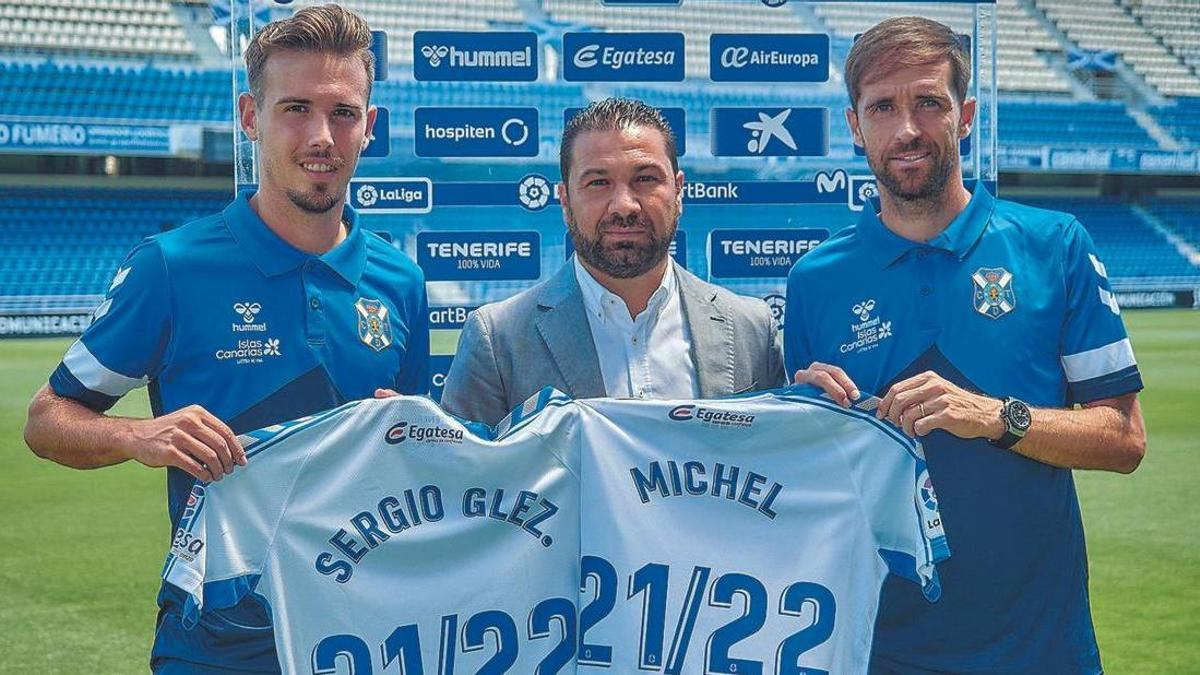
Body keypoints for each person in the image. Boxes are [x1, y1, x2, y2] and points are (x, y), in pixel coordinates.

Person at [23, 5, 428, 672]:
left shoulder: (401, 280)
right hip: (220, 640)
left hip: (370, 633)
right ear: (250, 117)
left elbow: (411, 468)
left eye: (344, 112)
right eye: (295, 108)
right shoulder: (171, 267)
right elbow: (46, 419)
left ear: (370, 126)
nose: (321, 135)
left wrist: (411, 436)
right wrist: (135, 436)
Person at [784, 16, 1146, 674]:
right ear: (854, 126)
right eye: (883, 108)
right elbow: (810, 489)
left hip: (1042, 653)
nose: (908, 129)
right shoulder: (814, 280)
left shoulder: (1056, 245)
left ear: (966, 115)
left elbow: (1124, 438)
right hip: (876, 652)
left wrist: (994, 416)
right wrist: (805, 428)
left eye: (929, 102)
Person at [441, 97, 785, 426]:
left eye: (646, 179)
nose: (624, 205)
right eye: (599, 182)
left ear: (679, 191)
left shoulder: (750, 329)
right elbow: (464, 477)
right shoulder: (499, 340)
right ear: (564, 200)